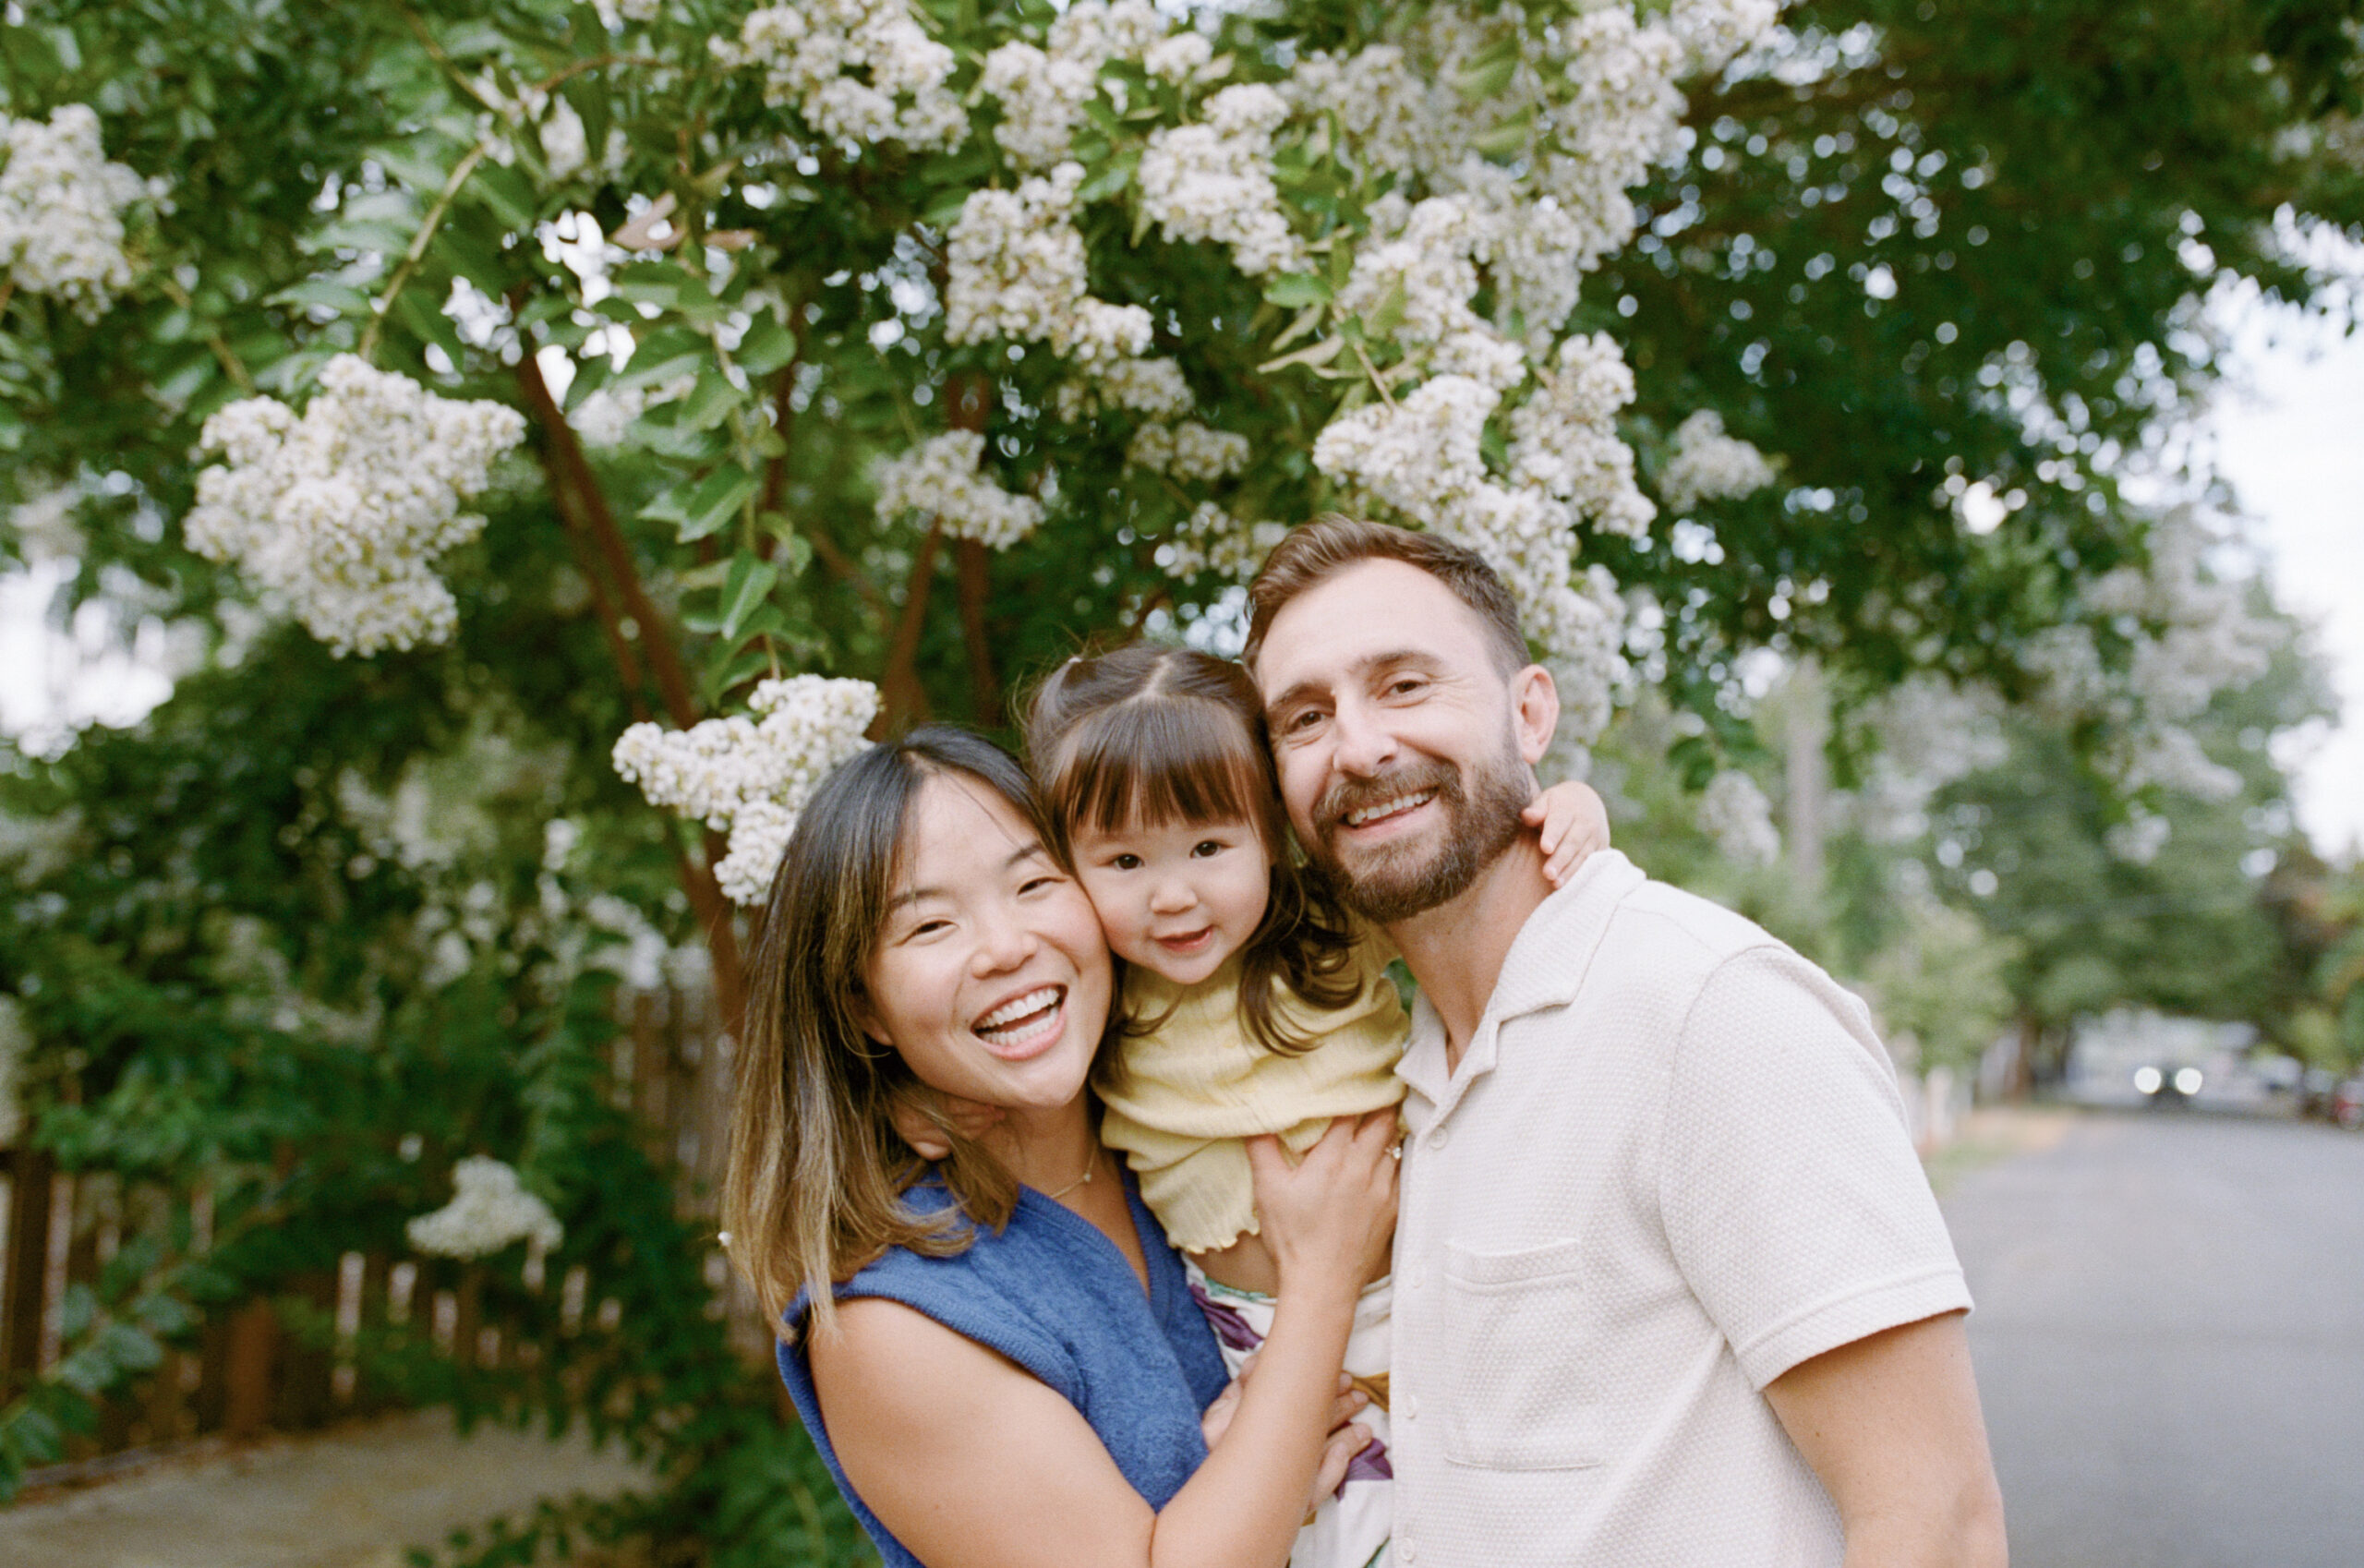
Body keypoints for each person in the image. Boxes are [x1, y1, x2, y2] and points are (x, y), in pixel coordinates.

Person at [1243, 516, 2010, 1568]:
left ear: (1530, 713)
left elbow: (1937, 1522)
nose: (1360, 746)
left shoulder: (1711, 1013)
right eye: (1304, 718)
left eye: (1406, 685)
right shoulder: (1381, 1072)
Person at [722, 725, 1399, 1568]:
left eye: (1034, 883)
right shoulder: (895, 1323)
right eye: (930, 926)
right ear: (863, 1007)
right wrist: (1320, 1294)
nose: (1006, 947)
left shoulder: (1174, 1125)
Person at [1019, 644, 1610, 1568]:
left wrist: (1569, 809)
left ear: (1270, 831)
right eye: (1125, 859)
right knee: (1335, 1531)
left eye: (1211, 848)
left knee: (1507, 1506)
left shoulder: (1331, 931)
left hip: (1418, 1280)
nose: (1174, 895)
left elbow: (1495, 882)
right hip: (1253, 1333)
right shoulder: (1097, 1001)